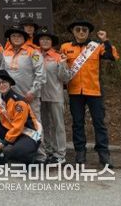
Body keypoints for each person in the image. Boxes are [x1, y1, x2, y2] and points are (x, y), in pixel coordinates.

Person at [60, 19, 120, 167]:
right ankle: (80, 152)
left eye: (84, 30)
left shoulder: (97, 46)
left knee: (99, 122)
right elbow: (60, 68)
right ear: (73, 31)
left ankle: (103, 153)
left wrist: (105, 40)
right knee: (77, 123)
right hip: (75, 91)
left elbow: (112, 57)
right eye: (78, 29)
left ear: (88, 32)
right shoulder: (65, 47)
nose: (81, 32)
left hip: (94, 90)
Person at [1, 24, 45, 163]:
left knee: (35, 125)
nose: (16, 38)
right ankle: (20, 153)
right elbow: (1, 74)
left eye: (19, 35)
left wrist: (33, 91)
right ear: (9, 38)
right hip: (12, 98)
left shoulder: (33, 52)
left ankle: (40, 155)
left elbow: (40, 74)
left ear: (24, 38)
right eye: (13, 36)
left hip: (29, 96)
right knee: (14, 124)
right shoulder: (5, 53)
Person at [0, 70, 42, 165]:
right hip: (12, 131)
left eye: (4, 82)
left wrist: (3, 143)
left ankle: (29, 158)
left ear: (10, 84)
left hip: (28, 134)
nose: (1, 85)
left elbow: (18, 127)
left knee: (16, 152)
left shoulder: (19, 102)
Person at [35, 28, 70, 164]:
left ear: (52, 42)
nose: (44, 41)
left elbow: (65, 78)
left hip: (55, 95)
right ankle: (48, 150)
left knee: (58, 125)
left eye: (47, 39)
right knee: (44, 124)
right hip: (39, 95)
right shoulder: (35, 55)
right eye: (42, 39)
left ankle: (60, 153)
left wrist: (63, 64)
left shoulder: (58, 56)